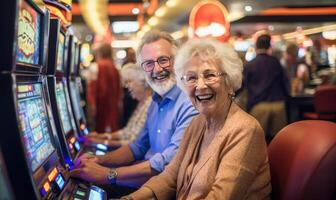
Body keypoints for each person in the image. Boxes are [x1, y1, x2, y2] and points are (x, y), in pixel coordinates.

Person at [125, 38, 271, 200]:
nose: (200, 86)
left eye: (209, 75)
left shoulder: (245, 130)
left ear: (229, 82)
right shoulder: (197, 123)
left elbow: (221, 196)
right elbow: (170, 176)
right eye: (192, 78)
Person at [70, 30, 198, 195]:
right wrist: (99, 160)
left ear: (178, 62)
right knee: (78, 183)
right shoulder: (155, 101)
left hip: (162, 190)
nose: (157, 69)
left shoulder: (190, 102)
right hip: (142, 180)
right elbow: (137, 146)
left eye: (163, 60)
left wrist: (109, 174)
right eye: (148, 64)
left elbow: (169, 162)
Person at [84, 63, 152, 149]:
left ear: (143, 81)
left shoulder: (150, 105)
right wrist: (102, 136)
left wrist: (102, 142)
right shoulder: (142, 103)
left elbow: (133, 144)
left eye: (129, 81)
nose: (127, 86)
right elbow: (126, 132)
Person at [243, 34, 289, 141]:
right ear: (270, 46)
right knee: (278, 141)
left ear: (256, 46)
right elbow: (285, 83)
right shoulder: (276, 62)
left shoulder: (250, 65)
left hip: (259, 106)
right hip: (278, 106)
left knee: (258, 141)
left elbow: (241, 86)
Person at [87, 43, 122, 133]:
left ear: (100, 53)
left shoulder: (95, 66)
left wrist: (91, 108)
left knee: (99, 132)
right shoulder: (115, 68)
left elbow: (91, 90)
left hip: (100, 107)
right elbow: (119, 90)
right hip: (113, 107)